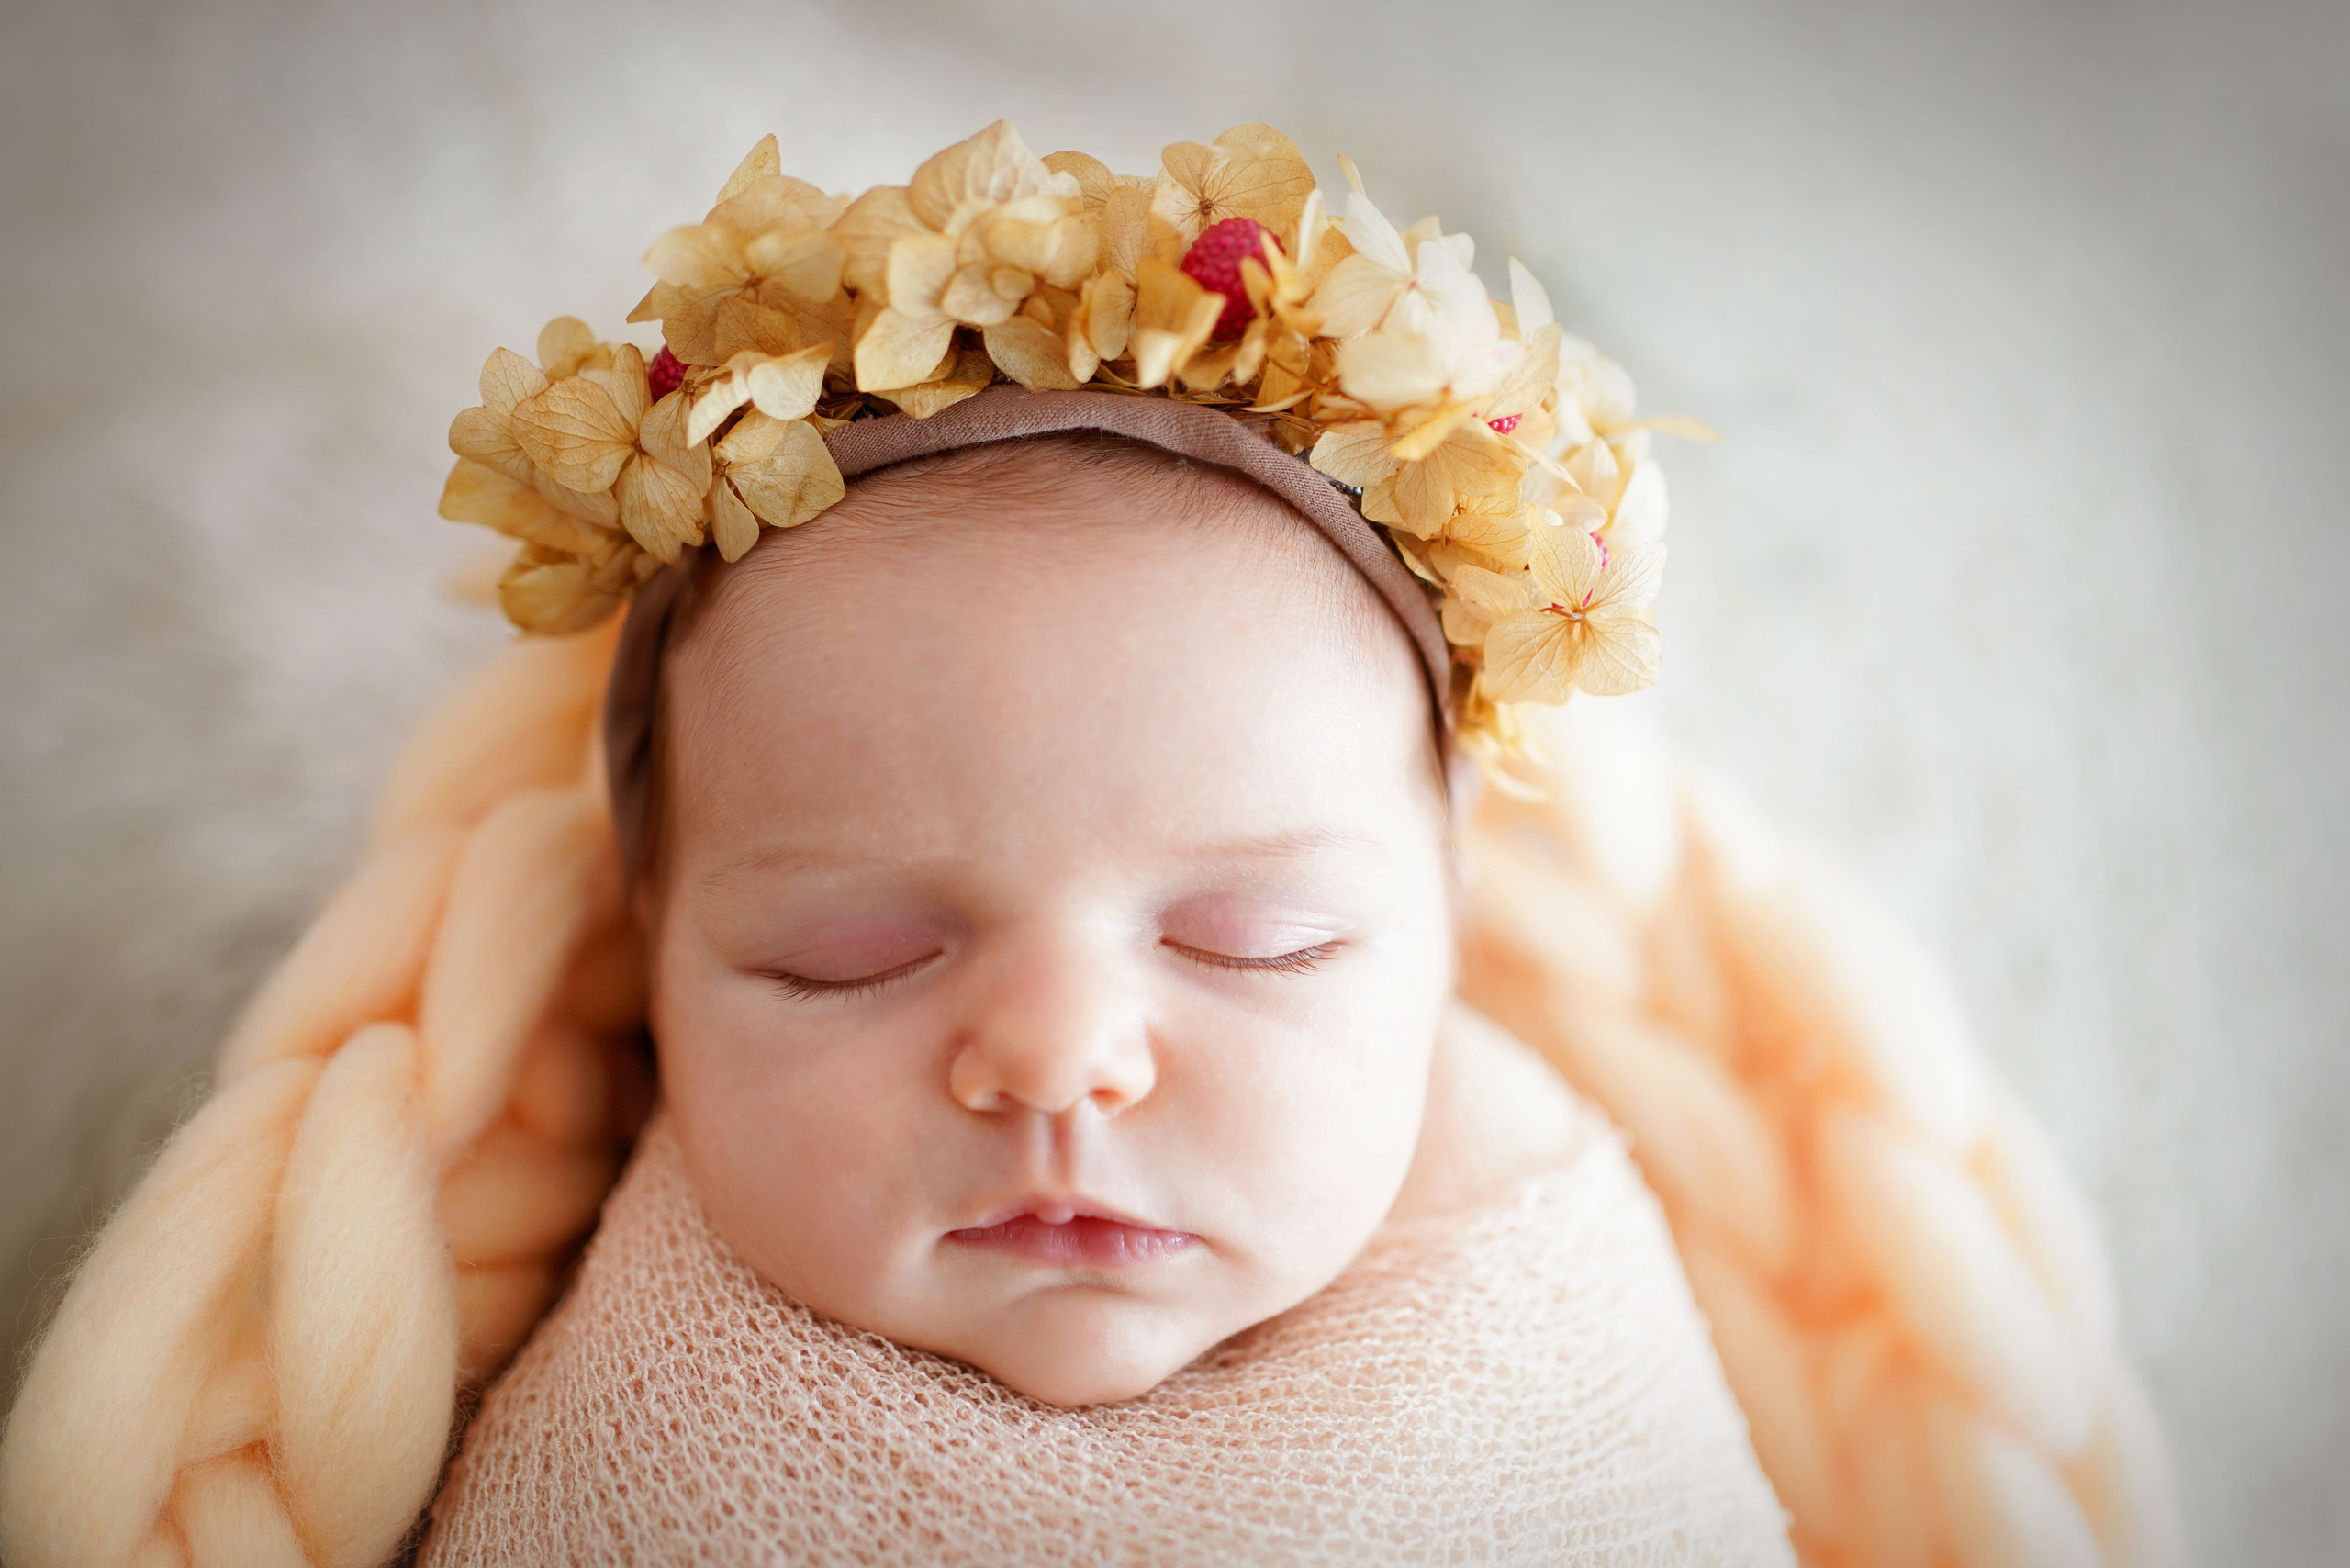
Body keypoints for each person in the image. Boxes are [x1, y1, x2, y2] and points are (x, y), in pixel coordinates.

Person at [0, 121, 2177, 1567]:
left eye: (1254, 934)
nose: (1053, 1053)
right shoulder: (605, 1377)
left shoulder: (1544, 1273)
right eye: (848, 951)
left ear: (1445, 933)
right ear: (643, 952)